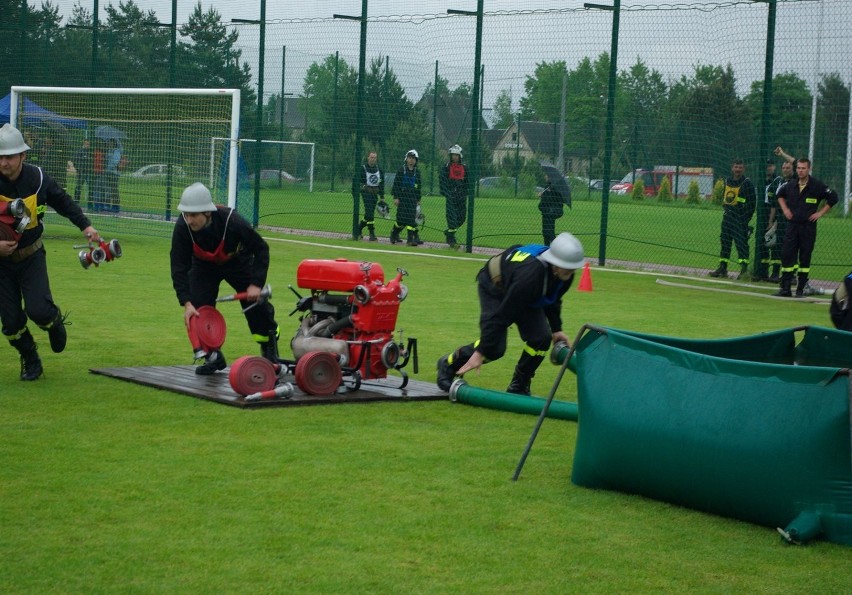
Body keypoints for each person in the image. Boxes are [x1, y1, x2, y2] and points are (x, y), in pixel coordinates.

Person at [0, 123, 100, 381]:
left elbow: (63, 202)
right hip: (1, 264)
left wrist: (85, 226)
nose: (4, 162)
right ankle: (30, 356)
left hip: (31, 257)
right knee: (11, 324)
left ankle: (53, 322)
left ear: (23, 155)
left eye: (9, 156)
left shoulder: (38, 179)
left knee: (39, 311)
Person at [436, 232, 585, 396]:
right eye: (568, 268)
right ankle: (449, 364)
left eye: (574, 268)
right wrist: (481, 351)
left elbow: (553, 298)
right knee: (494, 348)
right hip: (496, 286)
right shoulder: (530, 276)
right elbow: (502, 315)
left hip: (524, 292)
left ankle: (519, 385)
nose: (571, 272)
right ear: (555, 263)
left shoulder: (564, 275)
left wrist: (557, 329)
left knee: (541, 338)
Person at [170, 183, 279, 374]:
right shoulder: (182, 228)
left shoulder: (233, 221)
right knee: (199, 310)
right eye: (186, 214)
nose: (189, 219)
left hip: (237, 263)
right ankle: (213, 357)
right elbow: (178, 266)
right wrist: (186, 302)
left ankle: (269, 350)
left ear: (208, 213)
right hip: (203, 267)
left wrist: (256, 284)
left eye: (194, 215)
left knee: (256, 307)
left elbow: (262, 249)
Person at [773, 158, 838, 298]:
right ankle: (785, 288)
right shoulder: (790, 185)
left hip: (808, 227)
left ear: (809, 169)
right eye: (799, 168)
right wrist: (785, 209)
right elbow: (779, 194)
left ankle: (800, 290)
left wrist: (820, 212)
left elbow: (833, 197)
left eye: (803, 168)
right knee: (787, 255)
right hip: (792, 226)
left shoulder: (817, 186)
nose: (801, 171)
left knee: (805, 257)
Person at [709, 158, 756, 280]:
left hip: (740, 220)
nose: (738, 169)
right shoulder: (727, 181)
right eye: (736, 167)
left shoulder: (747, 183)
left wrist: (744, 220)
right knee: (725, 243)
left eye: (740, 167)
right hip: (727, 218)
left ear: (743, 169)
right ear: (732, 168)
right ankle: (723, 268)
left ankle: (744, 270)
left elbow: (752, 205)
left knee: (741, 244)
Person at [765, 158, 795, 283]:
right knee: (777, 247)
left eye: (788, 168)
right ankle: (775, 273)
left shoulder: (796, 182)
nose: (785, 170)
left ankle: (791, 275)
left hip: (793, 219)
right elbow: (773, 204)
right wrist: (771, 221)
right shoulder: (779, 182)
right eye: (784, 168)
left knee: (791, 246)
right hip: (780, 219)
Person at [390, 149, 423, 246]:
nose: (411, 160)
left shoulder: (417, 172)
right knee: (400, 219)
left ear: (416, 160)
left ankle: (410, 240)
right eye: (410, 158)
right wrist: (396, 197)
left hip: (412, 197)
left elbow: (418, 186)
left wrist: (418, 199)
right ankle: (394, 233)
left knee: (411, 219)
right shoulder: (401, 170)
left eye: (413, 158)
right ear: (406, 159)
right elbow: (396, 184)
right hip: (402, 197)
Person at [438, 144, 468, 248]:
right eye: (453, 155)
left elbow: (468, 182)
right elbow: (442, 181)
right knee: (452, 218)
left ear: (460, 156)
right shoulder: (446, 167)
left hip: (461, 197)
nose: (454, 157)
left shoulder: (464, 168)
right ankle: (451, 239)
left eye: (456, 155)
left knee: (461, 218)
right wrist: (447, 193)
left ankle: (449, 233)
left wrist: (465, 193)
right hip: (450, 196)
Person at [754, 158, 778, 281]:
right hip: (761, 216)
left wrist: (772, 220)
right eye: (766, 165)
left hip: (772, 216)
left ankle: (775, 273)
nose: (768, 167)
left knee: (774, 244)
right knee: (762, 245)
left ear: (774, 167)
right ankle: (762, 272)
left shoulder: (777, 181)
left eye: (770, 165)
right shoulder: (760, 181)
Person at [354, 151, 384, 242]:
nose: (373, 159)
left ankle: (358, 229)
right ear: (368, 158)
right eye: (371, 157)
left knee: (368, 214)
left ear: (376, 159)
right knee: (369, 212)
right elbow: (357, 182)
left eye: (374, 157)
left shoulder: (379, 170)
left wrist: (382, 196)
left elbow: (381, 184)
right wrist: (363, 187)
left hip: (374, 194)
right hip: (366, 193)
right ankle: (372, 234)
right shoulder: (362, 168)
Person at [104, 139, 122, 213]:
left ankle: (116, 206)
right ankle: (107, 205)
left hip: (114, 173)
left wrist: (109, 167)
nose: (109, 144)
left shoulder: (117, 151)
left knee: (114, 190)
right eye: (108, 142)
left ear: (114, 144)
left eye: (110, 143)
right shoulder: (109, 151)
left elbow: (115, 161)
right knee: (108, 189)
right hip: (108, 172)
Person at [72, 139, 93, 206]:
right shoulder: (79, 152)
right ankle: (76, 200)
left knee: (90, 187)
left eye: (88, 144)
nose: (87, 145)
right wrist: (78, 169)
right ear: (83, 144)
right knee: (78, 186)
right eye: (86, 144)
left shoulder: (90, 152)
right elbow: (75, 161)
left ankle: (90, 202)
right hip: (81, 172)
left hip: (89, 172)